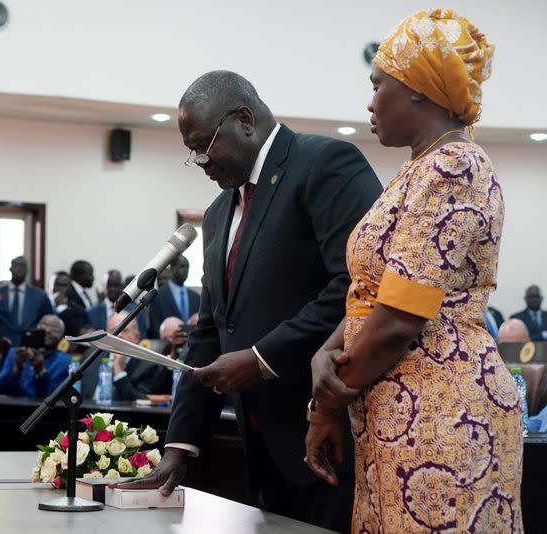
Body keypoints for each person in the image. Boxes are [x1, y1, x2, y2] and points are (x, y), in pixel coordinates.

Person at [114, 70, 381, 532]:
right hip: (258, 443)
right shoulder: (218, 214)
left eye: (203, 143)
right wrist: (180, 444)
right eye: (191, 150)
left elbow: (356, 287)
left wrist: (260, 360)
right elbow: (210, 331)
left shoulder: (323, 163)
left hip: (329, 430)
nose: (199, 160)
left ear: (244, 120)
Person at [305, 10, 523, 533]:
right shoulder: (419, 168)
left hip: (441, 414)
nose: (369, 101)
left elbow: (401, 318)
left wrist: (326, 403)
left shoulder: (454, 167)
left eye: (378, 85)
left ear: (418, 90)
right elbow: (375, 292)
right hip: (399, 405)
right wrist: (326, 349)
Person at [80, 312, 159, 401]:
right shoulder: (91, 357)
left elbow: (140, 403)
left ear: (136, 337)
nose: (119, 335)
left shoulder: (147, 366)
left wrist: (118, 370)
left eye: (125, 330)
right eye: (114, 331)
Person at [0, 315, 70, 398]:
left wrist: (40, 372)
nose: (48, 330)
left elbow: (55, 397)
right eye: (44, 324)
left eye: (54, 328)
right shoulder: (15, 353)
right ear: (36, 328)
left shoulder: (65, 361)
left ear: (62, 336)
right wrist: (17, 370)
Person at [0, 256, 53, 346]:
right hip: (2, 344)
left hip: (30, 345)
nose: (19, 268)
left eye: (22, 265)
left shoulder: (40, 296)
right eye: (16, 265)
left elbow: (48, 319)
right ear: (10, 268)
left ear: (27, 270)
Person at [148, 255, 200, 337]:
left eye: (187, 267)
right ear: (172, 268)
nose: (185, 270)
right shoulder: (158, 296)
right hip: (166, 344)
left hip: (192, 344)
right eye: (182, 267)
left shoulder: (196, 297)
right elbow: (155, 325)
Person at [87, 269, 148, 337]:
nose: (112, 289)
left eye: (116, 285)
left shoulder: (136, 310)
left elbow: (142, 337)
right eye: (109, 285)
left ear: (122, 286)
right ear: (104, 286)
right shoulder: (92, 312)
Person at [52, 268, 89, 336]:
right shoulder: (42, 303)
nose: (59, 288)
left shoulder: (77, 310)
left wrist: (61, 307)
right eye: (57, 284)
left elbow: (76, 331)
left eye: (64, 285)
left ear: (69, 288)